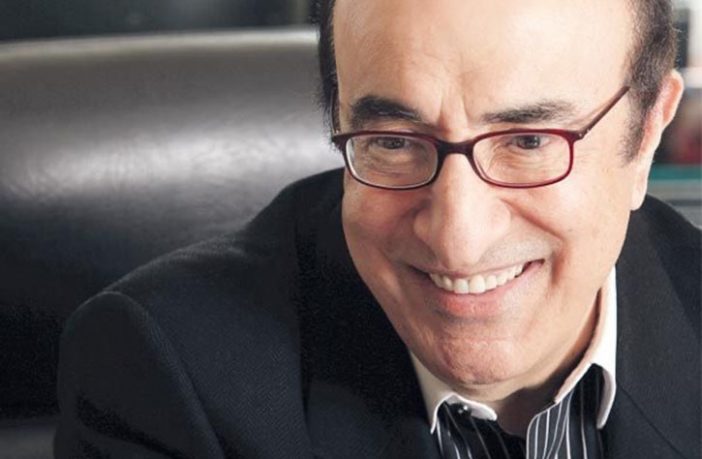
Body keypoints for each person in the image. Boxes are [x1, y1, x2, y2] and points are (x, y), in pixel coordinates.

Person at [55, 0, 700, 458]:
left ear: (647, 134)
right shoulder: (164, 376)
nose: (458, 238)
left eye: (528, 141)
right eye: (393, 141)